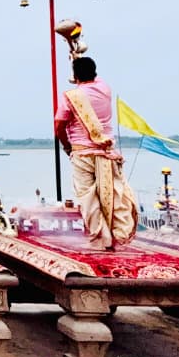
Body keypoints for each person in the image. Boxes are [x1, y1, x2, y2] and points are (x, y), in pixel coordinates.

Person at [54, 57, 139, 251]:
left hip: (83, 154)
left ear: (75, 76)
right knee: (114, 194)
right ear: (95, 72)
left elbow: (59, 125)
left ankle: (101, 239)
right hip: (106, 152)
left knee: (88, 197)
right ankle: (119, 237)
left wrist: (67, 147)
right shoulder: (105, 89)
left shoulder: (71, 97)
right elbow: (87, 77)